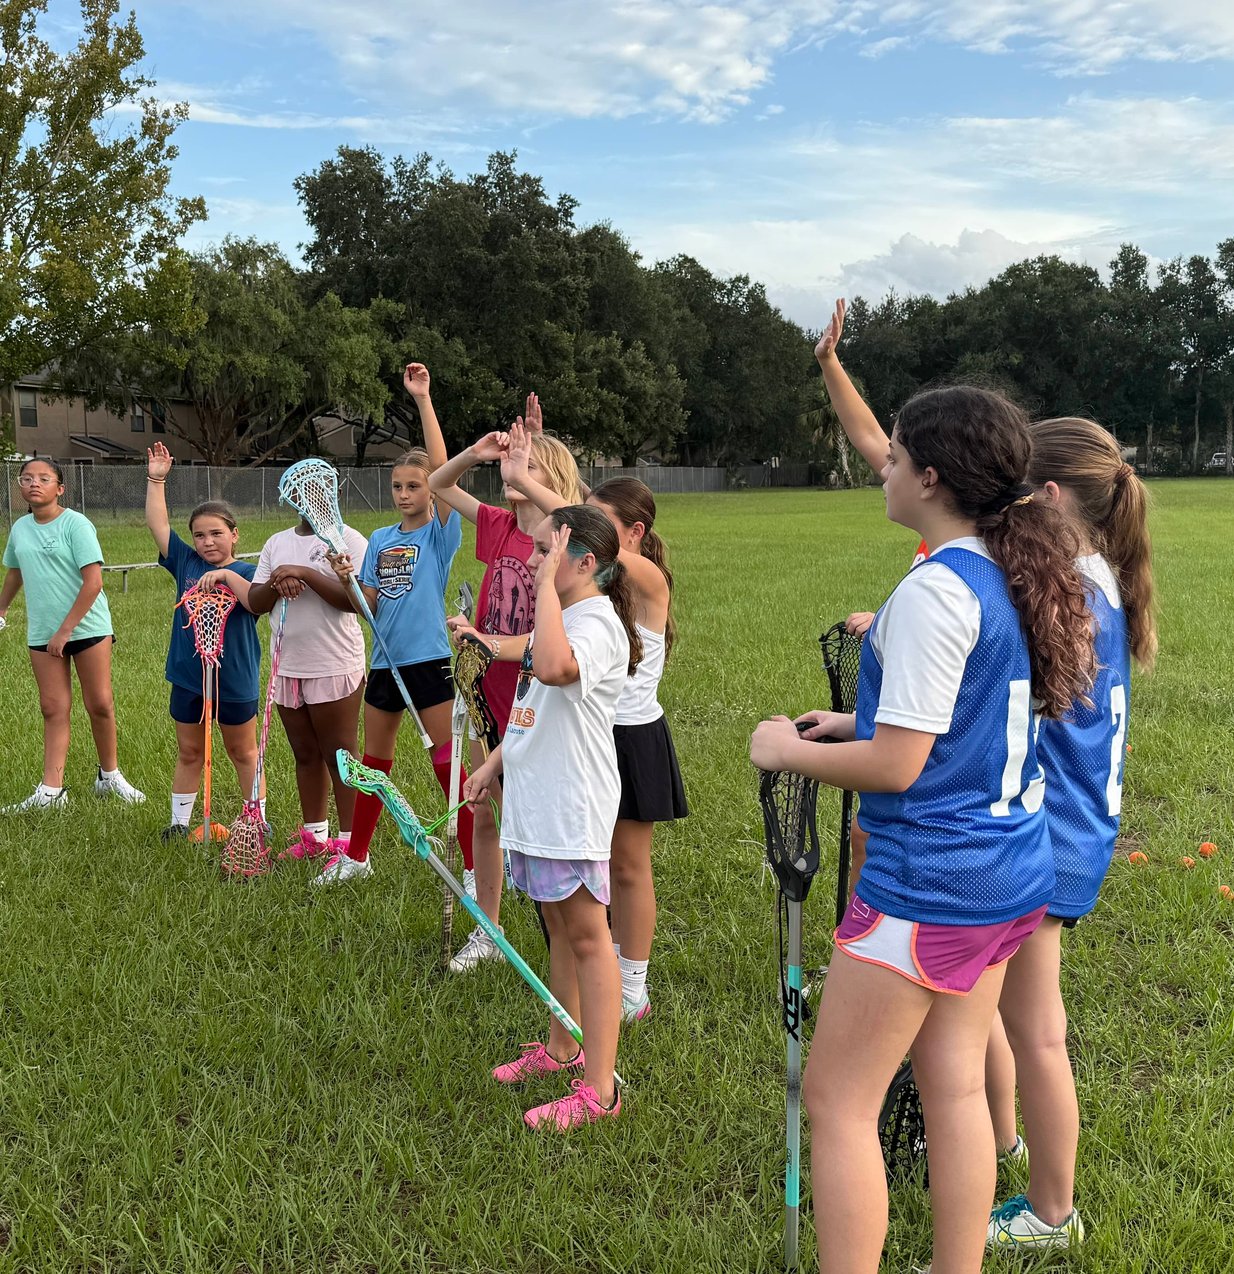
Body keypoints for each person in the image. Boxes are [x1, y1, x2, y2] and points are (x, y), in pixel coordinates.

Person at [751, 385, 1097, 1273]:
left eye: (896, 455)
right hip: (1008, 874)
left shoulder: (940, 587)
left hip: (931, 887)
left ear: (931, 477)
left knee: (837, 1101)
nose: (887, 469)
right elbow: (952, 728)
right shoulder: (1003, 567)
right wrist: (851, 729)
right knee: (952, 1086)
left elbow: (900, 768)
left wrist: (786, 750)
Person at [983, 417, 1156, 1252]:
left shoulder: (1070, 595)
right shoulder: (1093, 577)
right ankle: (1002, 1138)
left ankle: (1053, 1212)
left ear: (1049, 499)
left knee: (1037, 1028)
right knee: (992, 1002)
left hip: (1051, 834)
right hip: (1071, 827)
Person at [500, 427, 687, 1021]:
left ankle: (631, 978)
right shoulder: (592, 599)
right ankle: (589, 975)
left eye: (605, 522)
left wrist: (529, 482)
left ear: (630, 533)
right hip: (587, 730)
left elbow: (580, 535)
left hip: (632, 736)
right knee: (590, 866)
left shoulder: (648, 579)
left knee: (627, 864)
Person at [463, 505, 641, 1130]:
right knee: (560, 932)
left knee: (590, 939)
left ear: (584, 563)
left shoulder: (595, 624)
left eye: (545, 552)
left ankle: (600, 1088)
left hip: (572, 807)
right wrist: (495, 765)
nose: (533, 560)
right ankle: (562, 1046)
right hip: (539, 804)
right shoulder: (563, 617)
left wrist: (540, 592)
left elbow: (555, 669)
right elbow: (533, 708)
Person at [429, 399, 583, 971]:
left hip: (534, 688)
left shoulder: (562, 539)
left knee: (541, 814)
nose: (513, 471)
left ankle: (569, 936)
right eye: (513, 465)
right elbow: (440, 485)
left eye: (531, 468)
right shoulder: (496, 525)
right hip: (486, 686)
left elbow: (584, 518)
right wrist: (476, 452)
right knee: (486, 809)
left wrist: (537, 459)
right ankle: (489, 929)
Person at [318, 363, 468, 886]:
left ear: (431, 490)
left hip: (427, 661)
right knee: (373, 766)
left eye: (414, 485)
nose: (404, 494)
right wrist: (349, 582)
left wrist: (423, 400)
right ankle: (357, 857)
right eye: (397, 486)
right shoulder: (379, 539)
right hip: (384, 664)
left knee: (448, 767)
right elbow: (371, 606)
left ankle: (475, 867)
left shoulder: (441, 535)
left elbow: (445, 470)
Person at [0, 457, 145, 812]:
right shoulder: (19, 529)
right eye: (27, 478)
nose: (34, 483)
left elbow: (94, 583)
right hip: (43, 632)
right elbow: (15, 572)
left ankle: (109, 777)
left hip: (88, 628)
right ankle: (51, 792)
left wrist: (66, 631)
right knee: (52, 707)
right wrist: (1, 609)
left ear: (59, 488)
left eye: (44, 478)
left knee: (99, 703)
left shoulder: (76, 524)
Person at [144, 442, 262, 840]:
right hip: (189, 675)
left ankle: (255, 821)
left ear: (234, 534)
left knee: (242, 751)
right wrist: (157, 479)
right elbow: (158, 526)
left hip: (234, 677)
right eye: (199, 535)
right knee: (190, 751)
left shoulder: (249, 569)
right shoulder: (186, 563)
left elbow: (255, 602)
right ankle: (179, 823)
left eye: (216, 533)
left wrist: (228, 577)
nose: (208, 542)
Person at [248, 508, 369, 860]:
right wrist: (277, 581)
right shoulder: (277, 542)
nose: (309, 500)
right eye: (300, 492)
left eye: (318, 488)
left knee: (341, 755)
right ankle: (315, 837)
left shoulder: (349, 540)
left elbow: (355, 601)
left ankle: (351, 845)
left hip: (333, 663)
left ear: (334, 493)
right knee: (305, 753)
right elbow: (256, 602)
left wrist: (304, 573)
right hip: (287, 665)